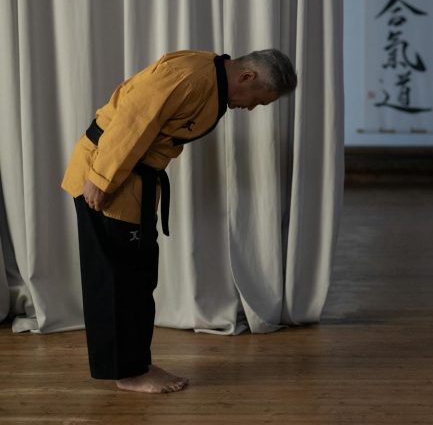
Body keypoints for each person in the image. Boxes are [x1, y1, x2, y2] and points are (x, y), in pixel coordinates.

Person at [61, 49, 297, 393]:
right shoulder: (190, 76)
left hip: (129, 180)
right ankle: (127, 373)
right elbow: (133, 119)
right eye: (258, 101)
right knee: (116, 280)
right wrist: (100, 178)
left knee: (137, 277)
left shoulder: (209, 77)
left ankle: (135, 363)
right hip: (106, 176)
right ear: (247, 77)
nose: (250, 108)